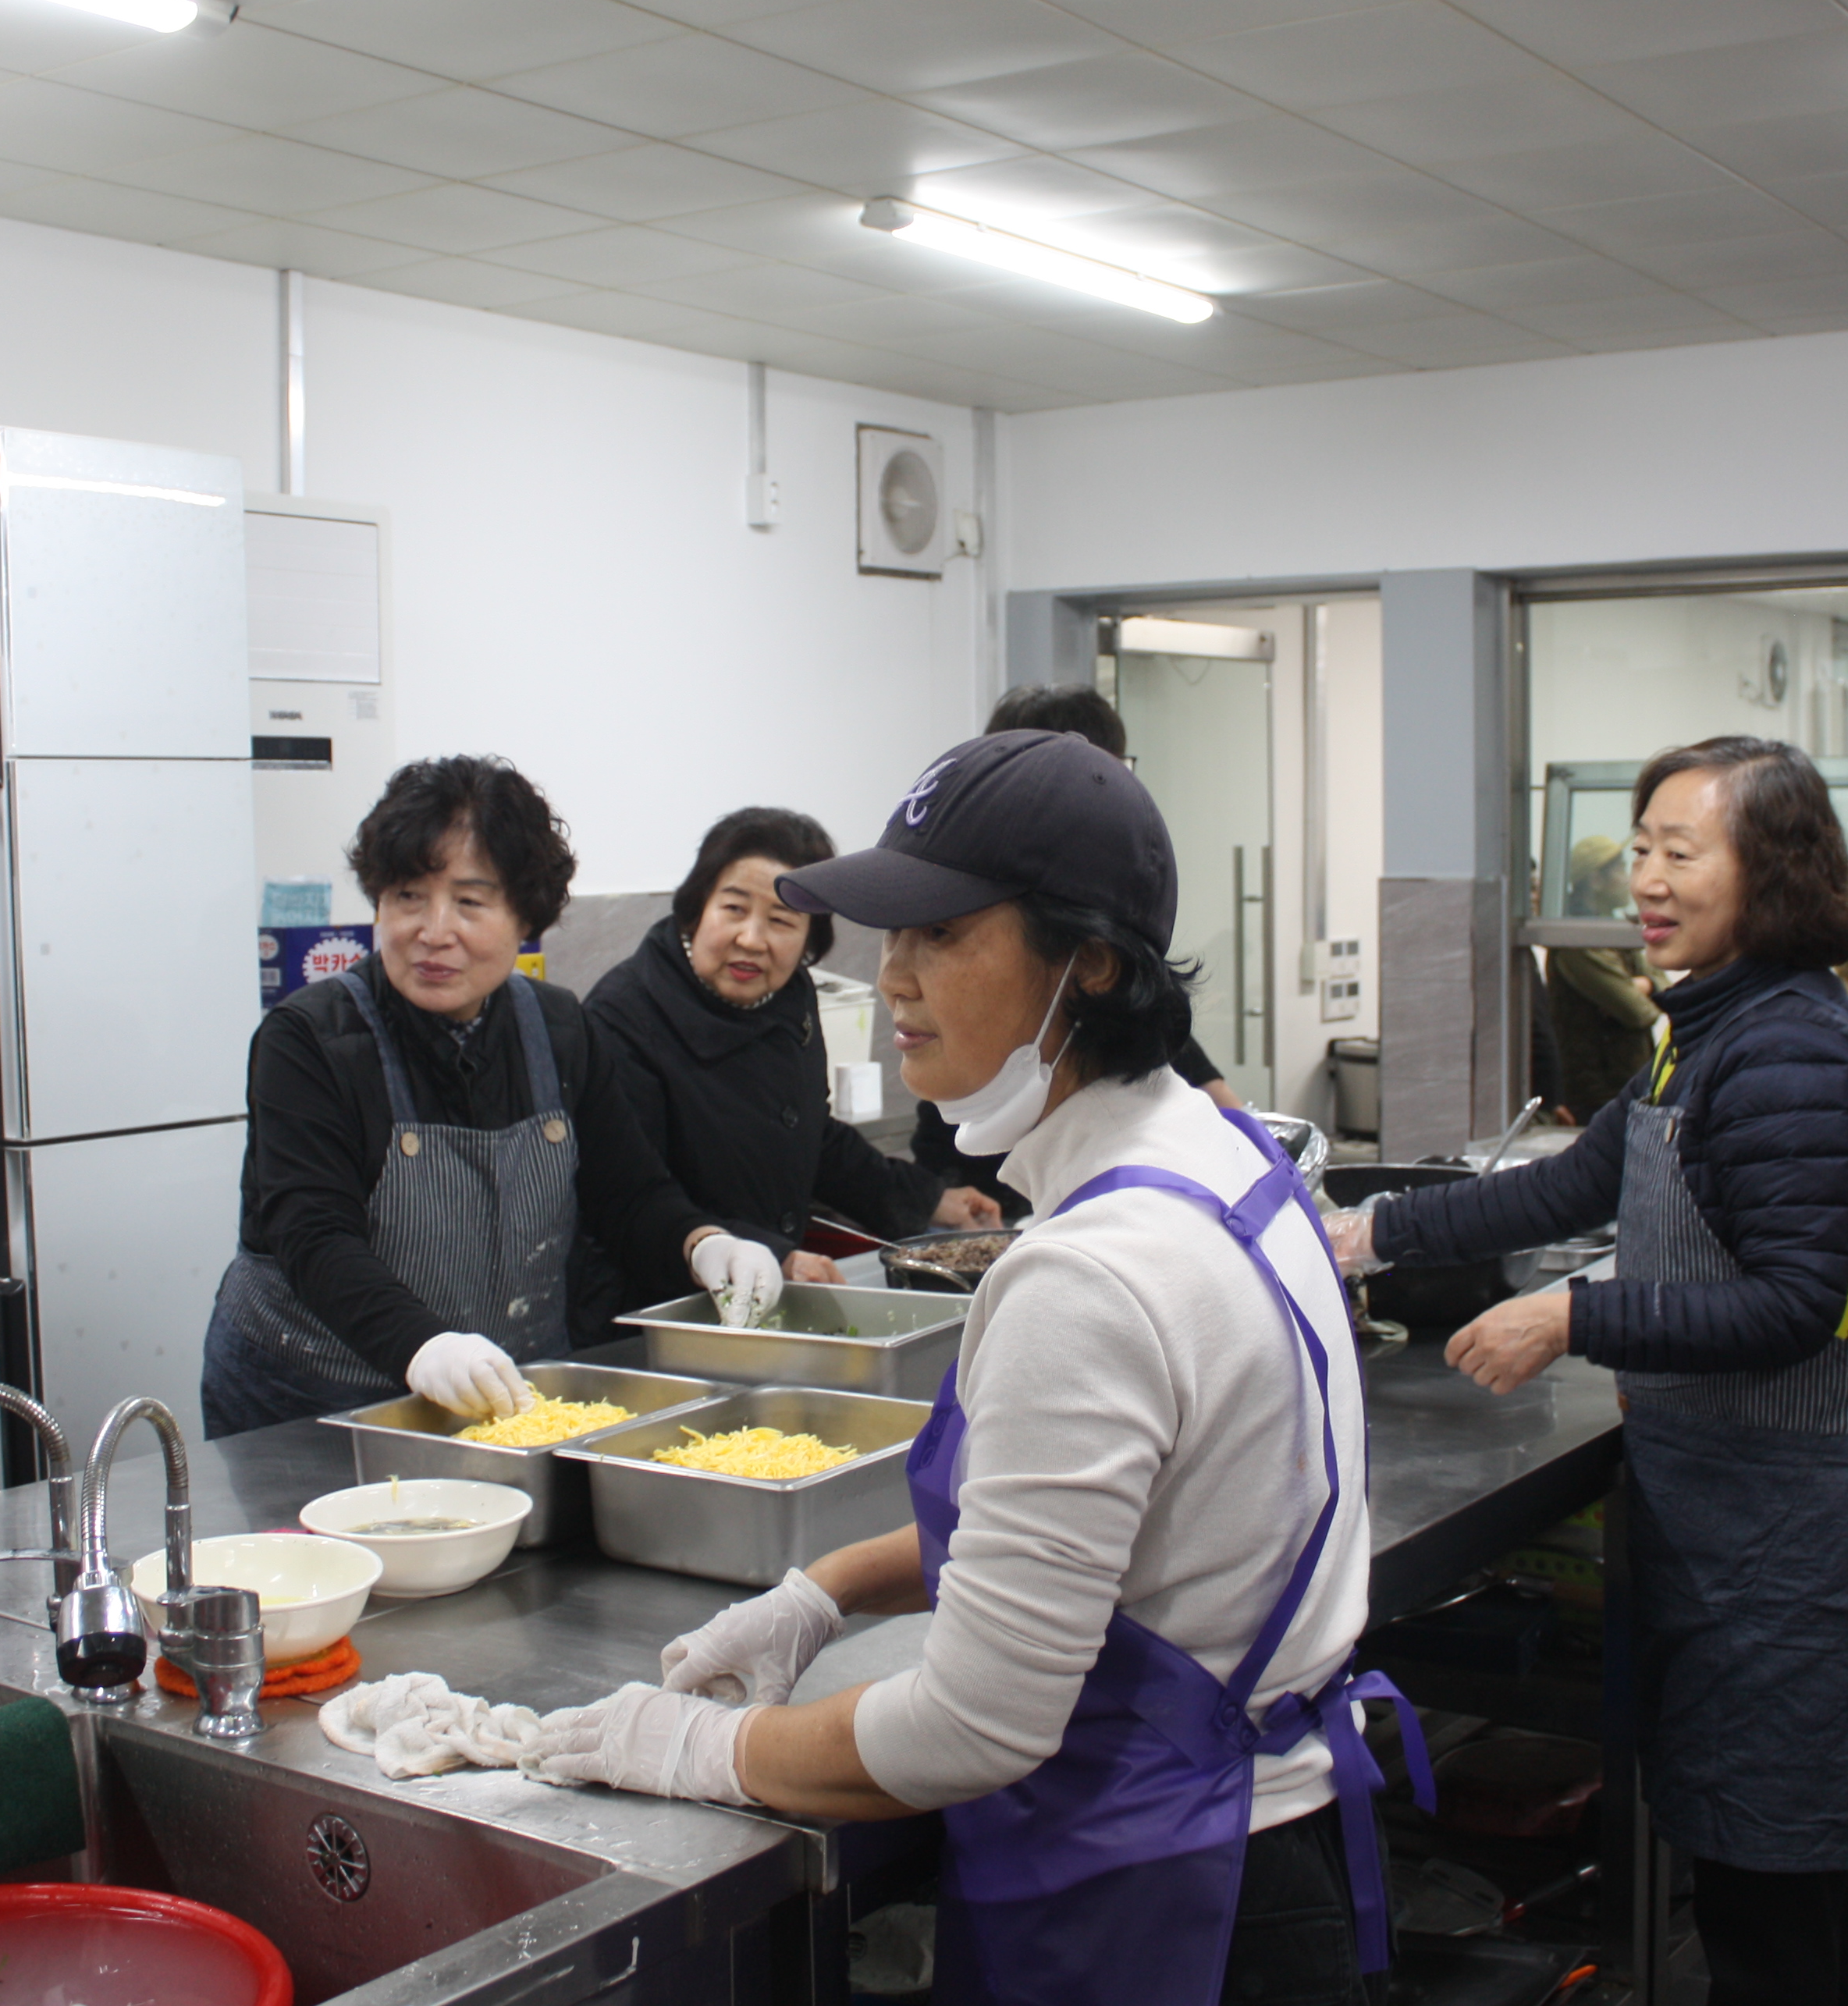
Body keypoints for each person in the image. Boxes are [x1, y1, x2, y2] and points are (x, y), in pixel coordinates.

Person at [530, 730, 1391, 2006]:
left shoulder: (1086, 1278)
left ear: (1088, 962)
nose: (893, 977)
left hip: (1163, 1900)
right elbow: (1086, 1537)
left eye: (942, 935)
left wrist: (705, 1748)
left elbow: (972, 1725)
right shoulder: (1230, 1160)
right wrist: (827, 1589)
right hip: (1269, 1840)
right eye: (892, 937)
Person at [1334, 735, 1848, 2006]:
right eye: (1641, 847)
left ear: (1771, 870)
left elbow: (1791, 1305)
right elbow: (1569, 1184)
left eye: (1680, 851)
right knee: (1757, 1861)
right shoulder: (1705, 1025)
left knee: (1775, 1882)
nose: (1645, 878)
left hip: (1795, 1531)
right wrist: (1369, 1233)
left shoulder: (1788, 1052)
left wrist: (1571, 1315)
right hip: (1730, 1513)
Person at [203, 758, 784, 1433]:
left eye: (470, 902)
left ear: (525, 916)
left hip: (499, 1395)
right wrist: (423, 1346)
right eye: (408, 896)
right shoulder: (309, 1040)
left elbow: (628, 1195)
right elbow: (313, 1237)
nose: (433, 931)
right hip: (310, 1400)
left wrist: (704, 1243)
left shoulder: (560, 1029)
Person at [585, 807, 997, 1289]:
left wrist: (927, 1199)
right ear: (697, 908)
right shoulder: (623, 1017)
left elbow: (810, 1137)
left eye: (782, 920)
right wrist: (772, 1256)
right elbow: (634, 1200)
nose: (751, 939)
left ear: (810, 939)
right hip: (660, 1298)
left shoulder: (790, 996)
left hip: (761, 1292)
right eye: (733, 909)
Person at [910, 683, 1245, 1216]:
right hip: (983, 1196)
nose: (895, 980)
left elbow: (1212, 1094)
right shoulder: (997, 899)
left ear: (1094, 965)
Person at [1548, 833, 1663, 1119]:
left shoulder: (1614, 928)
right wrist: (1642, 988)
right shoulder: (1579, 938)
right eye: (1621, 869)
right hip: (1598, 1095)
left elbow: (1666, 986)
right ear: (1596, 880)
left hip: (1623, 1086)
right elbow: (1639, 1012)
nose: (1629, 879)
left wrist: (1646, 983)